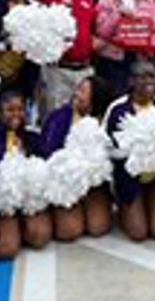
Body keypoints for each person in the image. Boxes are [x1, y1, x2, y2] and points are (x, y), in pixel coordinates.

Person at [0, 90, 52, 259]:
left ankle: (19, 227)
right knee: (5, 249)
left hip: (27, 201)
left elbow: (45, 165)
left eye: (20, 109)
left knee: (39, 237)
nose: (16, 115)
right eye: (10, 110)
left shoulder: (33, 134)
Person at [103, 60, 155, 243]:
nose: (147, 81)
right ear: (130, 81)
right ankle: (126, 204)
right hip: (129, 176)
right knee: (138, 233)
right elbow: (107, 148)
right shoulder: (117, 109)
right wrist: (135, 152)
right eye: (141, 76)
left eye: (151, 76)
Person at [35, 77, 113, 241]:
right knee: (69, 232)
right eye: (77, 88)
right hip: (64, 182)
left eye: (83, 91)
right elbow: (46, 153)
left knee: (98, 227)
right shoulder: (59, 117)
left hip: (93, 185)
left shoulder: (105, 121)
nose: (76, 94)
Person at [30, 0, 98, 115]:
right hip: (58, 70)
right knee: (57, 115)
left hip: (84, 70)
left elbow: (93, 30)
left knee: (84, 116)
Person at [94, 0, 155, 102]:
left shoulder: (148, 0)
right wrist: (118, 15)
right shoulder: (106, 0)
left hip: (139, 60)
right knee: (117, 101)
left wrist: (150, 47)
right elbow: (101, 32)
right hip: (113, 61)